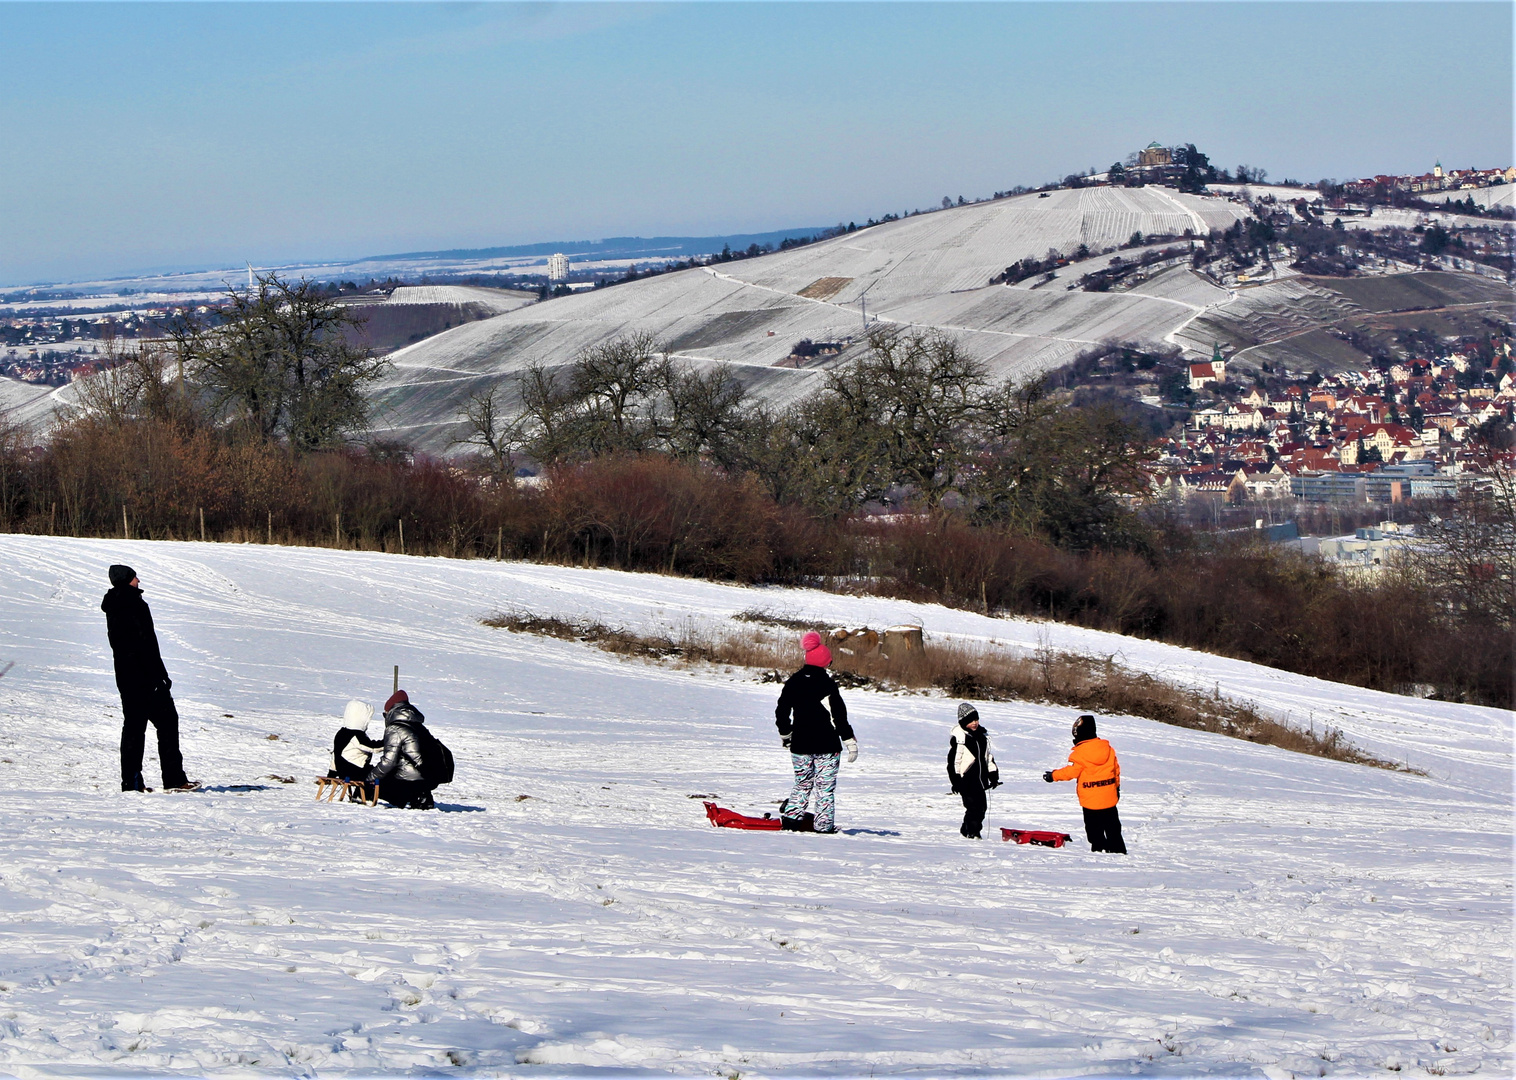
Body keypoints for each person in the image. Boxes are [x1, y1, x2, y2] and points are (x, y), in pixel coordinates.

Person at [101, 564, 196, 793]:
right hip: (145, 678)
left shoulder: (114, 605)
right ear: (127, 580)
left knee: (133, 729)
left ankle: (131, 783)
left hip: (126, 678)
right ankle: (174, 780)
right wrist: (160, 676)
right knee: (167, 724)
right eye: (135, 577)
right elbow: (146, 645)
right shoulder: (134, 604)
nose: (139, 580)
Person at [774, 631, 857, 834]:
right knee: (824, 789)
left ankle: (792, 821)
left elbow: (781, 711)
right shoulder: (827, 685)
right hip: (827, 746)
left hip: (800, 745)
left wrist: (786, 735)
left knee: (802, 783)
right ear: (825, 663)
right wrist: (850, 741)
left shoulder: (793, 682)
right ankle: (823, 826)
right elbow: (839, 716)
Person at [1043, 714, 1125, 853]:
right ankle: (1119, 851)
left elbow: (1071, 772)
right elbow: (1116, 770)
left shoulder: (1079, 753)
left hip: (1090, 800)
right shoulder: (1108, 750)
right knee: (1113, 828)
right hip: (1109, 797)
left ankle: (1099, 850)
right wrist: (1116, 787)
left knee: (1094, 830)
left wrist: (1053, 776)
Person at [364, 690, 436, 809]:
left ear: (390, 712)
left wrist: (368, 779)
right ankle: (421, 795)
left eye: (385, 714)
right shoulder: (418, 726)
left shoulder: (395, 729)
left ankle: (412, 796)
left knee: (379, 782)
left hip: (408, 780)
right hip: (427, 776)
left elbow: (388, 762)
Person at [947, 702, 1000, 839]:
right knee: (973, 808)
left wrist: (993, 775)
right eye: (970, 721)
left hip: (980, 780)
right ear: (963, 722)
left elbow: (987, 758)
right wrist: (956, 780)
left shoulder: (982, 737)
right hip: (967, 781)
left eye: (976, 719)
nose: (974, 723)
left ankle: (968, 830)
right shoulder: (960, 739)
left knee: (982, 808)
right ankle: (972, 832)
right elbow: (954, 763)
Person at [329, 700, 383, 782]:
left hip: (343, 771)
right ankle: (367, 794)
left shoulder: (341, 732)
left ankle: (360, 793)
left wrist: (332, 772)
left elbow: (335, 753)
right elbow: (372, 747)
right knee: (379, 774)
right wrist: (388, 743)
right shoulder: (356, 734)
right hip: (354, 770)